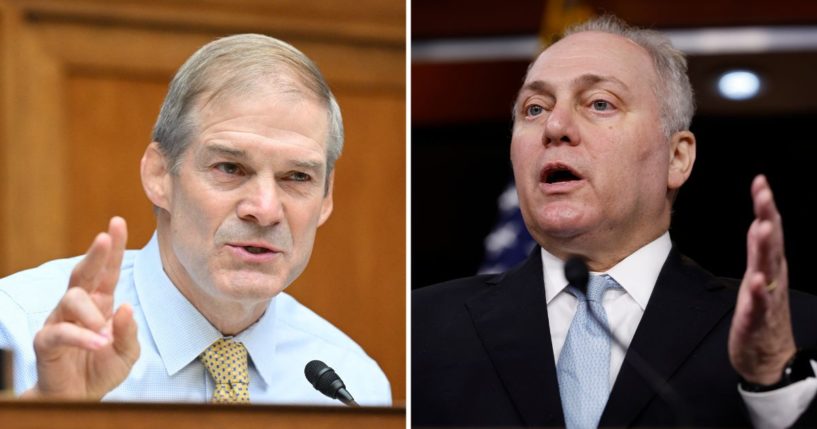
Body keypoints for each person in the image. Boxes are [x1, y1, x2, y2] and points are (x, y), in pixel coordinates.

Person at [412, 16, 817, 428]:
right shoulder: (420, 330)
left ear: (676, 158)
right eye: (534, 109)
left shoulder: (797, 331)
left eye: (600, 103)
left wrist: (771, 383)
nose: (555, 127)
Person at [0, 34, 391, 405]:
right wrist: (48, 411)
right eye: (229, 167)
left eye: (298, 177)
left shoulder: (354, 383)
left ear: (326, 198)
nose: (265, 209)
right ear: (158, 175)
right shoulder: (18, 329)